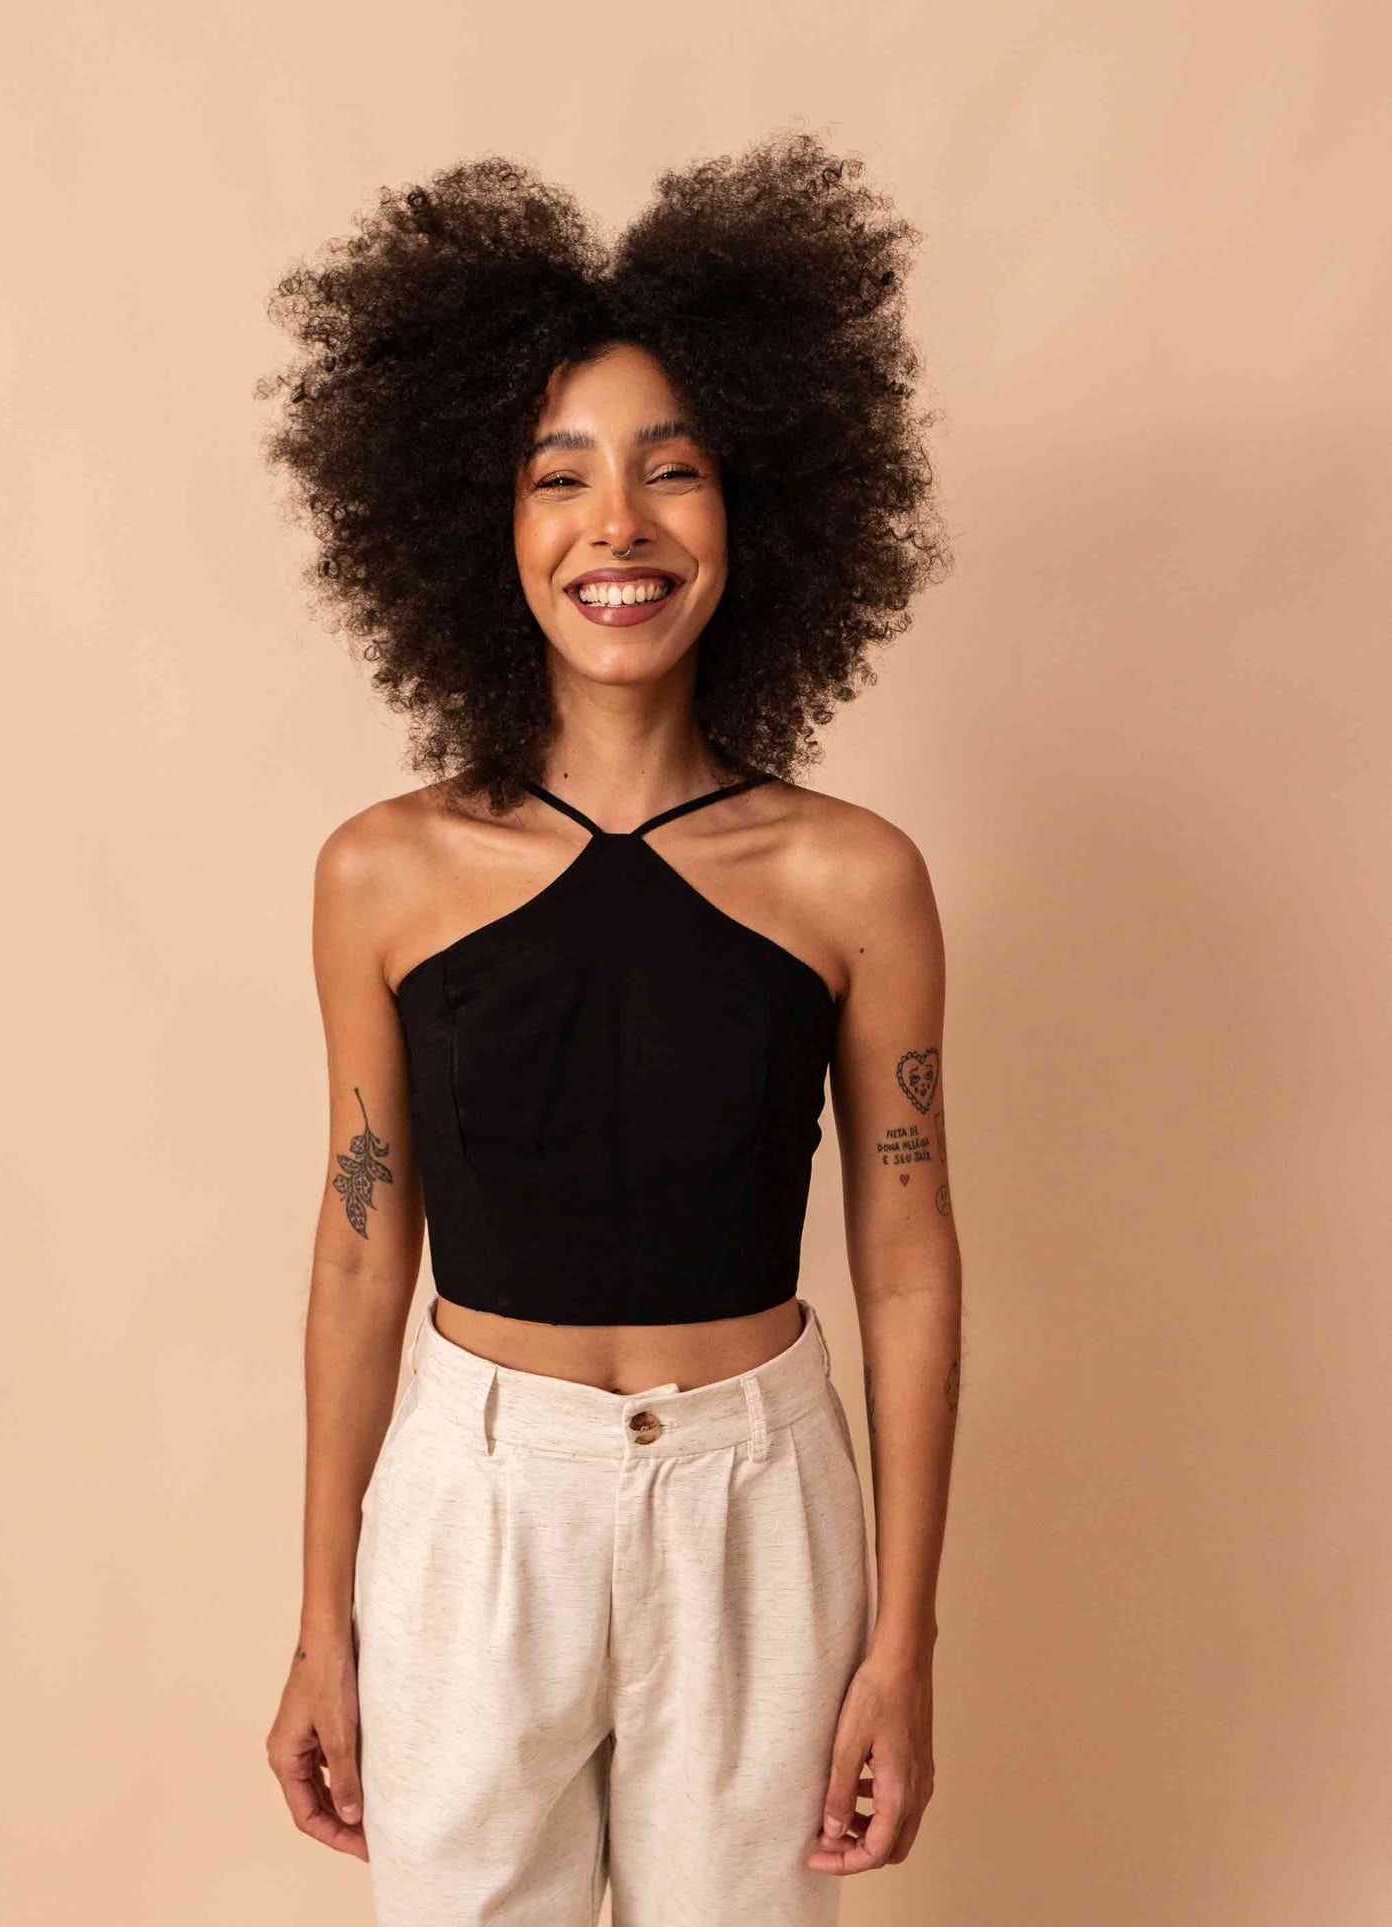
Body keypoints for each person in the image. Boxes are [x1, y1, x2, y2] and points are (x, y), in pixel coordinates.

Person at [259, 129, 960, 1926]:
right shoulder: (384, 872)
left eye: (675, 471)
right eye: (556, 476)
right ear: (476, 528)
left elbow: (904, 1259)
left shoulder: (852, 877)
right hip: (474, 1507)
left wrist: (900, 1643)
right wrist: (324, 1622)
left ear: (760, 510)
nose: (618, 526)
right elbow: (359, 1250)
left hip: (759, 1502)